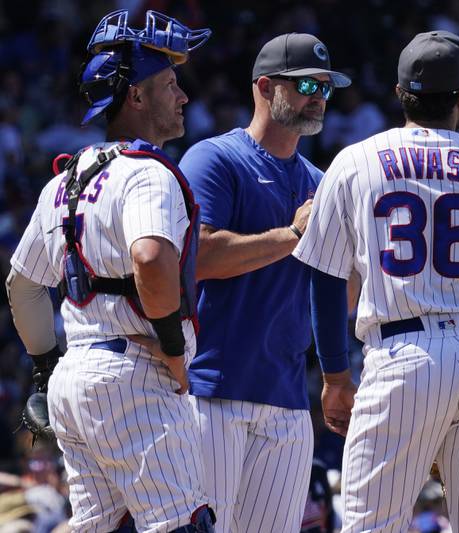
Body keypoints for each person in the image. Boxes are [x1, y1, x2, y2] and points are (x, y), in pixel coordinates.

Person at [293, 30, 459, 531]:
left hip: (403, 353)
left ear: (401, 93)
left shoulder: (356, 161)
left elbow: (325, 279)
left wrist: (336, 378)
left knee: (371, 524)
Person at [5, 9, 215, 532]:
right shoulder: (147, 174)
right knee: (182, 524)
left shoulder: (61, 183)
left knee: (102, 526)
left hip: (78, 375)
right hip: (135, 375)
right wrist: (172, 350)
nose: (183, 96)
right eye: (169, 84)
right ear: (136, 96)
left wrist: (48, 368)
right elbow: (149, 256)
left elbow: (23, 284)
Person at [178, 33, 351, 533]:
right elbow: (200, 258)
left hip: (289, 401)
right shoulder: (213, 159)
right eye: (304, 85)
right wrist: (293, 234)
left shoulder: (323, 183)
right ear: (264, 87)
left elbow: (338, 292)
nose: (318, 96)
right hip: (213, 391)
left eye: (325, 87)